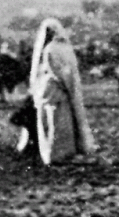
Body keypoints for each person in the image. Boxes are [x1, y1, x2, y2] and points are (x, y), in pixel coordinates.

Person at [23, 18, 97, 165]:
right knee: (61, 123)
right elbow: (67, 73)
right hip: (59, 90)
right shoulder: (65, 48)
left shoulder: (50, 49)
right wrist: (70, 89)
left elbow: (55, 71)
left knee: (52, 123)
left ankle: (53, 154)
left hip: (51, 90)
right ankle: (63, 153)